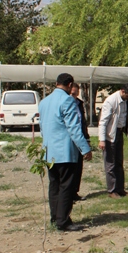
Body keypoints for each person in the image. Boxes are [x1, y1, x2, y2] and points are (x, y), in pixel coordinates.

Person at [38, 73, 92, 232]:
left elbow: (42, 127)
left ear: (56, 83)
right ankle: (63, 221)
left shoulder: (44, 102)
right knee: (67, 187)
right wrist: (85, 148)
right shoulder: (68, 100)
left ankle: (55, 217)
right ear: (70, 85)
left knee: (54, 185)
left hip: (49, 151)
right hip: (65, 152)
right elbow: (74, 129)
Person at [98, 83, 128, 198]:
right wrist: (102, 139)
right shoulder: (110, 101)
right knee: (110, 164)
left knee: (119, 162)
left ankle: (120, 189)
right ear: (123, 91)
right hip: (110, 136)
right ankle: (112, 190)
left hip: (119, 133)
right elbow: (103, 122)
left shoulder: (126, 101)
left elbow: (124, 116)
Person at [69, 83, 90, 202]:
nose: (74, 96)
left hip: (81, 138)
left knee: (78, 167)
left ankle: (75, 191)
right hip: (70, 140)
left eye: (76, 93)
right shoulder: (66, 104)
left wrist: (86, 139)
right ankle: (69, 193)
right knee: (70, 168)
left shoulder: (79, 104)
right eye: (72, 93)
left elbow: (83, 123)